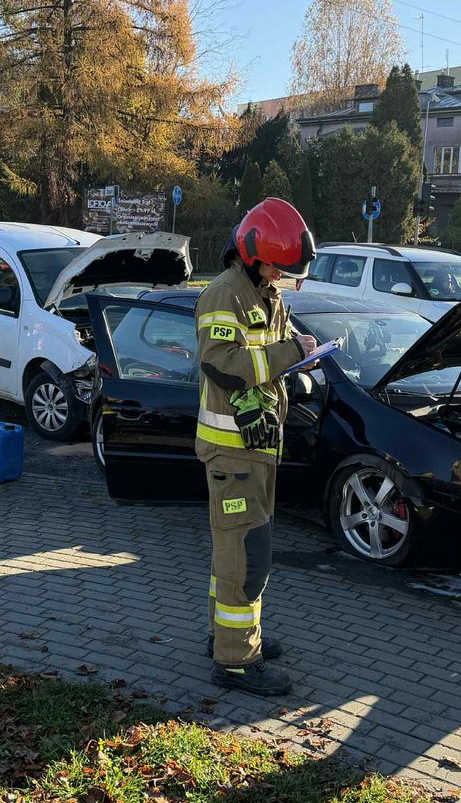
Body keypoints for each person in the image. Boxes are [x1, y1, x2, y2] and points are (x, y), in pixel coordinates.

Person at [194, 197, 318, 697]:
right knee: (246, 557)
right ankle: (237, 663)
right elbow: (221, 362)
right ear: (251, 253)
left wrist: (304, 357)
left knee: (238, 553)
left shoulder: (265, 293)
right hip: (232, 453)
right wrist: (291, 353)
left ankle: (230, 638)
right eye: (278, 267)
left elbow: (273, 352)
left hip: (258, 448)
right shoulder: (224, 295)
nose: (282, 277)